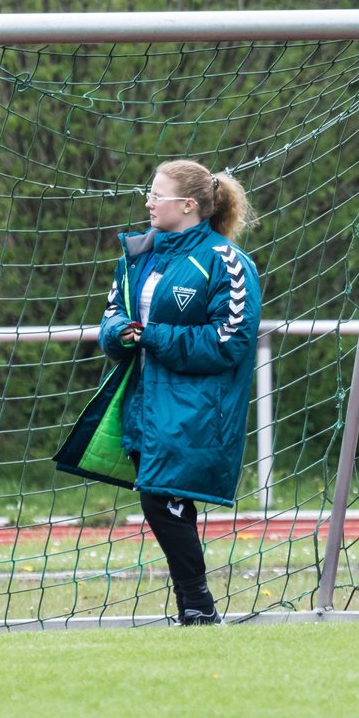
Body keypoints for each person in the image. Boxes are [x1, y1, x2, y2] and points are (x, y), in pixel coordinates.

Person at [98, 159, 261, 625]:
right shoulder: (137, 254)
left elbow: (228, 342)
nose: (147, 201)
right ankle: (196, 609)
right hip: (141, 406)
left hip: (194, 410)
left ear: (188, 205)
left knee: (160, 498)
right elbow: (112, 315)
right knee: (166, 501)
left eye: (156, 194)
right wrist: (119, 333)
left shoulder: (226, 262)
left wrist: (152, 335)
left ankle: (197, 606)